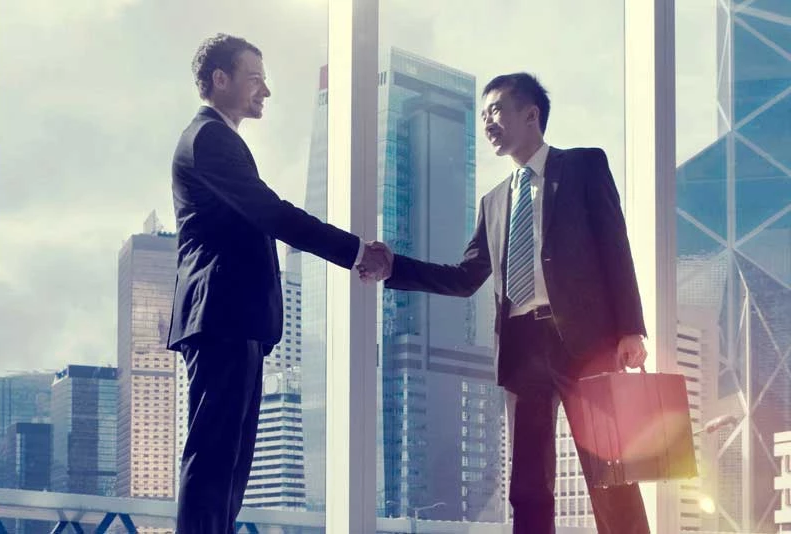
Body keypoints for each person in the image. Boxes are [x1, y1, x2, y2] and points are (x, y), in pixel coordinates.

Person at [363, 72, 650, 534]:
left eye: (495, 110)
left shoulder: (583, 166)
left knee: (610, 473)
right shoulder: (494, 202)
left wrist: (630, 328)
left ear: (531, 114)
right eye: (483, 116)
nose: (487, 123)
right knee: (528, 486)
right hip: (522, 349)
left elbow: (615, 246)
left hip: (585, 344)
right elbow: (464, 277)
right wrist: (395, 268)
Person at [166, 33, 390, 533]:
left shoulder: (218, 138)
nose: (265, 91)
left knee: (229, 468)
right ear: (219, 79)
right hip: (221, 316)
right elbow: (272, 214)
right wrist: (356, 251)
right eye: (255, 79)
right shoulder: (209, 138)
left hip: (233, 318)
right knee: (214, 462)